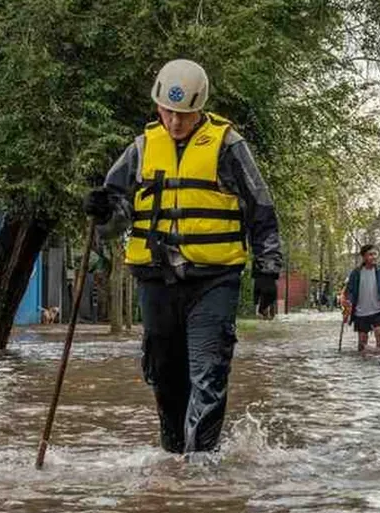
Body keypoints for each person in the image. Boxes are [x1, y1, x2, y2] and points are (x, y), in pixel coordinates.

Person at [83, 59, 281, 454]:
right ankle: (173, 460)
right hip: (156, 280)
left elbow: (261, 209)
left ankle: (199, 470)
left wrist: (267, 269)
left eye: (185, 114)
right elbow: (116, 219)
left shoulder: (228, 146)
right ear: (158, 106)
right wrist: (104, 211)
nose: (175, 122)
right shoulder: (140, 149)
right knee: (165, 376)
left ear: (200, 109)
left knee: (207, 374)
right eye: (169, 112)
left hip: (213, 280)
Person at [342, 244, 380, 353]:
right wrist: (348, 301)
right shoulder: (356, 272)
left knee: (379, 334)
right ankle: (363, 367)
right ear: (364, 257)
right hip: (361, 311)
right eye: (370, 254)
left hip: (379, 309)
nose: (374, 257)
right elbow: (349, 290)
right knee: (362, 343)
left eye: (375, 254)